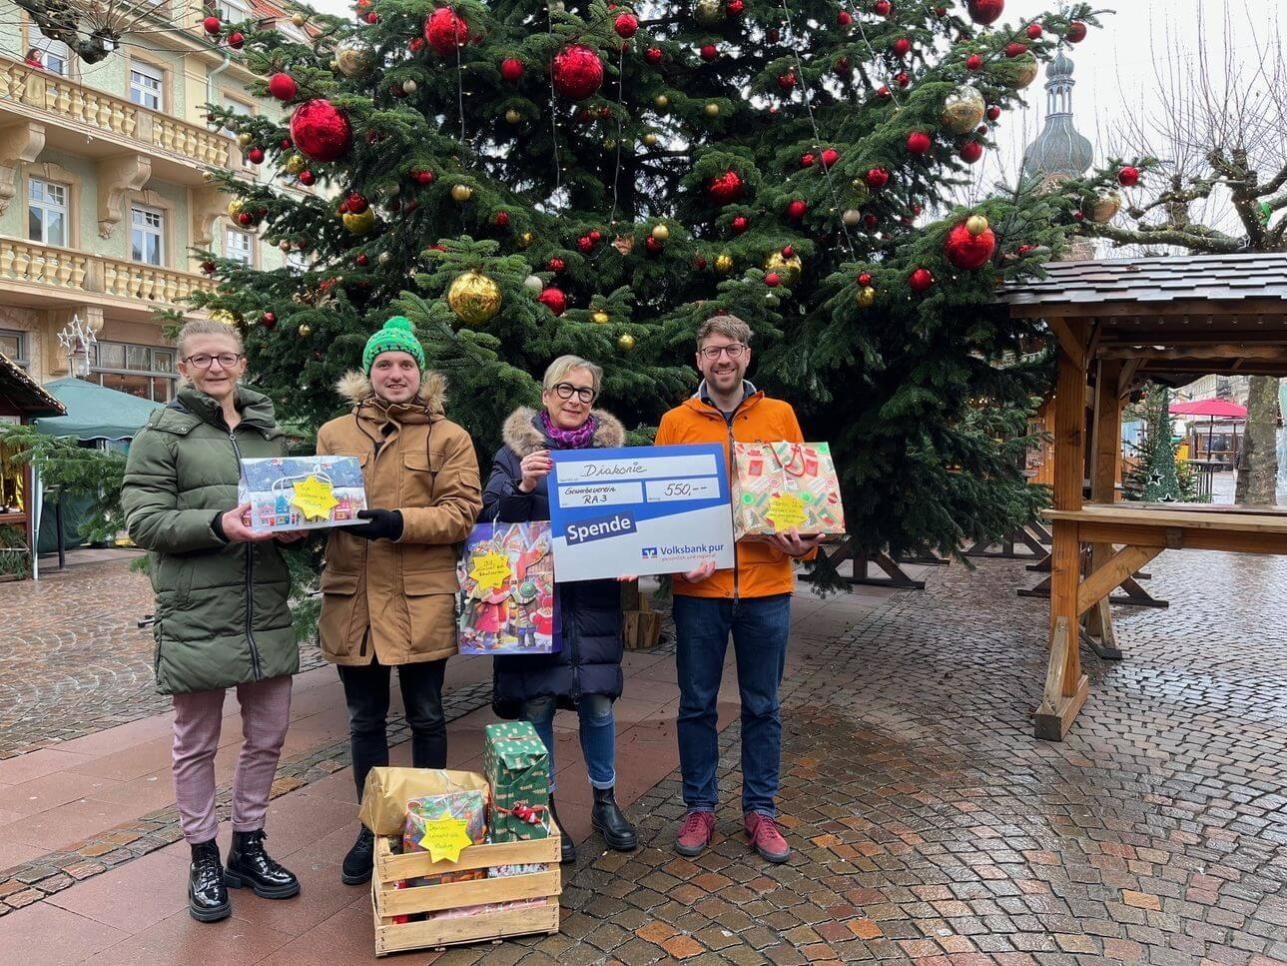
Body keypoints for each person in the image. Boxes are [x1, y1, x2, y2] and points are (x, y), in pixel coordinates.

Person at [122, 320, 304, 923]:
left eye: (226, 357)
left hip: (264, 608)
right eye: (202, 359)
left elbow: (286, 507)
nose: (216, 367)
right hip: (198, 610)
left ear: (243, 364)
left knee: (269, 735)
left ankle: (247, 845)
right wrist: (217, 524)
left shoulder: (265, 434)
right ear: (183, 367)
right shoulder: (161, 434)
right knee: (195, 743)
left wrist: (300, 526)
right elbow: (144, 521)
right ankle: (203, 856)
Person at [317, 315, 482, 885]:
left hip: (420, 600)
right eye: (383, 363)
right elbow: (317, 502)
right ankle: (372, 829)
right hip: (355, 601)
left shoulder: (450, 436)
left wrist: (396, 522)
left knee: (427, 715)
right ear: (368, 373)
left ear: (421, 373)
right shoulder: (335, 434)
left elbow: (462, 512)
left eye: (405, 364)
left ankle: (429, 825)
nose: (395, 373)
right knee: (365, 722)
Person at [654, 315, 825, 864]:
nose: (722, 359)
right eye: (711, 351)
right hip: (699, 593)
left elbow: (804, 499)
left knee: (763, 705)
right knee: (696, 704)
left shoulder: (780, 416)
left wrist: (805, 544)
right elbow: (662, 511)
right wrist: (678, 563)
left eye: (731, 349)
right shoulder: (675, 423)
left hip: (766, 584)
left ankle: (760, 810)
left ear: (747, 356)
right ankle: (699, 806)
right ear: (699, 361)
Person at [483, 356, 638, 864]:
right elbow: (487, 526)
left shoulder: (611, 457)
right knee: (539, 705)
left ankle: (605, 801)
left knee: (598, 704)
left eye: (586, 392)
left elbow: (635, 521)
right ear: (546, 394)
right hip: (534, 610)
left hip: (592, 603)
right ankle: (543, 809)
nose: (575, 399)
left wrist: (634, 557)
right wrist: (523, 487)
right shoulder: (513, 454)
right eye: (565, 389)